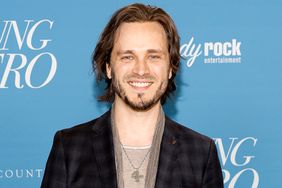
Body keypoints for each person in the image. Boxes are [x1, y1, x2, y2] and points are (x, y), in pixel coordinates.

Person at [41, 3, 223, 188]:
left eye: (153, 56)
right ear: (109, 67)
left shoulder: (201, 153)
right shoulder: (70, 148)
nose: (141, 70)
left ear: (170, 68)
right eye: (127, 57)